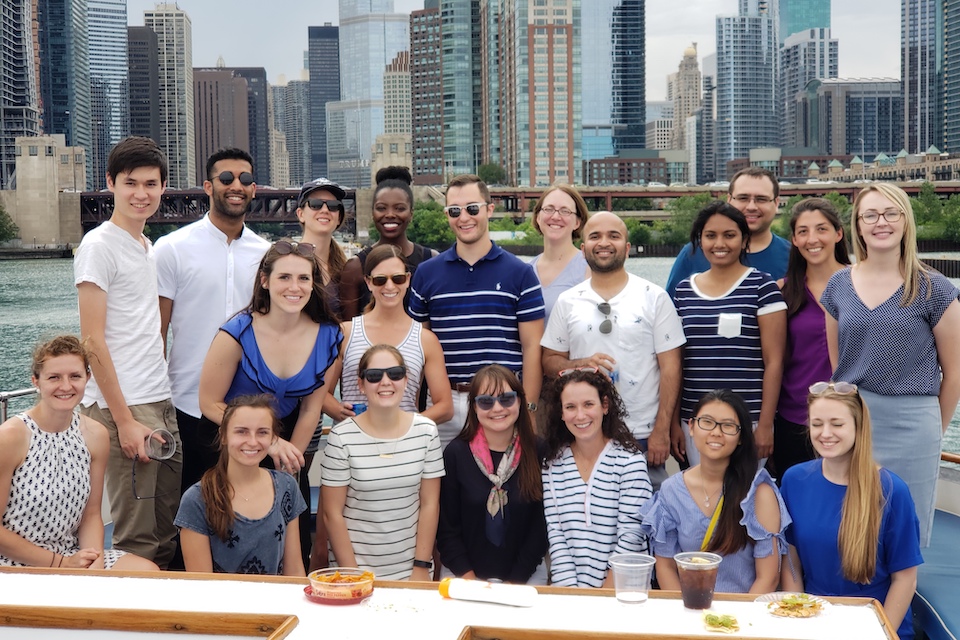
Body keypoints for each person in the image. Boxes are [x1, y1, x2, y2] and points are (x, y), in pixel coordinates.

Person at [821, 183, 960, 547]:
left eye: (890, 213)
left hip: (913, 424)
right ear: (859, 225)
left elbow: (955, 372)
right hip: (855, 420)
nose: (880, 222)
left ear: (904, 220)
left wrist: (932, 429)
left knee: (903, 530)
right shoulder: (838, 286)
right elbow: (840, 368)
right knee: (852, 524)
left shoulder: (935, 288)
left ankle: (901, 604)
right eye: (870, 215)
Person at [198, 239, 341, 565]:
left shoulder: (329, 336)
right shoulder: (235, 333)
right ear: (265, 281)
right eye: (284, 278)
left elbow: (310, 408)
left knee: (292, 549)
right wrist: (267, 442)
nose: (295, 287)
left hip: (290, 440)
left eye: (304, 278)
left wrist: (291, 464)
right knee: (232, 545)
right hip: (232, 443)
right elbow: (209, 402)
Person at [74, 136, 182, 567]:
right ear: (110, 184)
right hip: (125, 407)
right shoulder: (98, 247)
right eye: (130, 183)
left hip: (159, 398)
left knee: (167, 523)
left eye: (151, 184)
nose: (141, 193)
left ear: (162, 187)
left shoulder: (145, 246)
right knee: (136, 536)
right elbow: (91, 340)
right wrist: (124, 421)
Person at [312, 243, 453, 571]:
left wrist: (406, 427)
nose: (390, 286)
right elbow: (320, 392)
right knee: (340, 520)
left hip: (408, 453)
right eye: (380, 280)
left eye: (398, 278)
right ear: (367, 282)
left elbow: (444, 404)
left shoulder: (425, 338)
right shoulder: (345, 332)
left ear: (408, 280)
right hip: (353, 449)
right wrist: (343, 415)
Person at [156, 148, 270, 494]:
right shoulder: (172, 248)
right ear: (208, 186)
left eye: (245, 179)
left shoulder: (266, 254)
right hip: (188, 404)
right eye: (226, 178)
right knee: (196, 507)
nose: (236, 185)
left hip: (252, 405)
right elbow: (157, 333)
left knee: (251, 504)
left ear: (254, 189)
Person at [542, 212, 684, 490]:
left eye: (614, 236)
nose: (604, 243)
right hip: (584, 431)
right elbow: (548, 361)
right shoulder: (568, 301)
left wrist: (662, 430)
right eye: (595, 236)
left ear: (627, 248)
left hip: (641, 431)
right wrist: (580, 363)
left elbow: (671, 368)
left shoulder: (654, 297)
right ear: (583, 250)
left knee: (645, 519)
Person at [410, 174, 545, 448]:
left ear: (489, 210)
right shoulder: (425, 274)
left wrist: (528, 410)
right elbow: (417, 349)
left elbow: (532, 348)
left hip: (503, 403)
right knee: (442, 488)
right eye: (454, 211)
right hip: (444, 403)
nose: (464, 218)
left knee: (502, 485)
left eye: (472, 208)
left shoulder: (521, 274)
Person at [0, 336, 157, 571]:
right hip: (15, 560)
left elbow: (91, 514)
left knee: (149, 574)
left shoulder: (95, 434)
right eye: (54, 377)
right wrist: (61, 564)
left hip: (71, 553)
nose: (66, 386)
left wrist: (94, 564)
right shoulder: (11, 436)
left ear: (87, 378)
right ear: (36, 381)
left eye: (75, 376)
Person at [781, 382, 922, 640]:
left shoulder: (892, 490)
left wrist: (882, 633)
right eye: (817, 424)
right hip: (814, 619)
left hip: (874, 621)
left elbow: (905, 579)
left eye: (837, 424)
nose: (826, 433)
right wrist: (798, 621)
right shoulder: (794, 480)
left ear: (858, 426)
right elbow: (791, 561)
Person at [640, 389, 789, 594]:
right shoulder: (671, 490)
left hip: (743, 615)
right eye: (707, 422)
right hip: (689, 612)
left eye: (728, 426)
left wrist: (734, 622)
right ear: (691, 427)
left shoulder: (758, 491)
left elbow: (769, 577)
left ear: (741, 437)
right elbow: (665, 566)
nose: (716, 432)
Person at [672, 201, 786, 466]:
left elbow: (775, 362)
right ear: (699, 241)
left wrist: (766, 424)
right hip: (695, 418)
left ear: (744, 240)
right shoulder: (683, 291)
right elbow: (676, 364)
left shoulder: (762, 286)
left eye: (729, 235)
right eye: (710, 236)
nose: (719, 243)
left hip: (748, 418)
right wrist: (673, 422)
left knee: (743, 499)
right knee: (702, 499)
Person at [321, 345, 444, 581]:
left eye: (395, 373)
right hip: (355, 572)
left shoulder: (426, 431)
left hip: (411, 572)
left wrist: (421, 566)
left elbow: (430, 504)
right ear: (361, 385)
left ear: (407, 380)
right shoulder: (341, 437)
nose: (385, 381)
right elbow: (331, 514)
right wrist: (353, 576)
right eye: (375, 376)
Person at [438, 365, 547, 584]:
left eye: (506, 399)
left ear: (519, 401)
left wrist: (513, 583)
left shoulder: (539, 451)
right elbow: (446, 528)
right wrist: (471, 580)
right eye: (486, 401)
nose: (497, 408)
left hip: (525, 576)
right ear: (474, 407)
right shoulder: (456, 453)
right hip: (463, 575)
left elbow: (541, 529)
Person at [541, 369, 650, 588]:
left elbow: (631, 537)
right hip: (572, 597)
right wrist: (573, 597)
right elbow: (557, 538)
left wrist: (602, 599)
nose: (580, 415)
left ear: (605, 405)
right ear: (561, 413)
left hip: (624, 593)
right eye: (570, 407)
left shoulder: (630, 461)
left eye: (588, 404)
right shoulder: (553, 464)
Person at [176, 395, 307, 575]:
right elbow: (201, 585)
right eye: (242, 431)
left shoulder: (287, 486)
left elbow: (294, 572)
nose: (252, 441)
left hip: (277, 601)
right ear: (223, 436)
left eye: (262, 432)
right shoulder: (197, 498)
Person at [774, 198, 850, 478]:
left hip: (850, 417)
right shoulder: (782, 291)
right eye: (803, 232)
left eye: (821, 229)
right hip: (794, 419)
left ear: (838, 233)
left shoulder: (861, 284)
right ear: (793, 239)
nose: (812, 239)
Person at [665, 167, 790, 298]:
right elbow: (669, 311)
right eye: (743, 198)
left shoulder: (794, 257)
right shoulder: (693, 253)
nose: (751, 207)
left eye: (761, 199)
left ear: (776, 203)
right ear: (729, 200)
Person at [339, 166, 437, 319]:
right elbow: (347, 330)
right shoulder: (355, 268)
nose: (390, 214)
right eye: (381, 208)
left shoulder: (431, 261)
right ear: (373, 213)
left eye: (399, 208)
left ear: (411, 213)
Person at [529, 185, 590, 324]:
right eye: (549, 209)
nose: (556, 216)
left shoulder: (589, 269)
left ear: (577, 222)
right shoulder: (524, 270)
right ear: (538, 217)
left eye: (565, 211)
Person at [295, 177, 350, 319]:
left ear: (338, 218)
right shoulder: (284, 263)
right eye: (315, 204)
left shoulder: (347, 269)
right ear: (300, 214)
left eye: (333, 205)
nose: (325, 210)